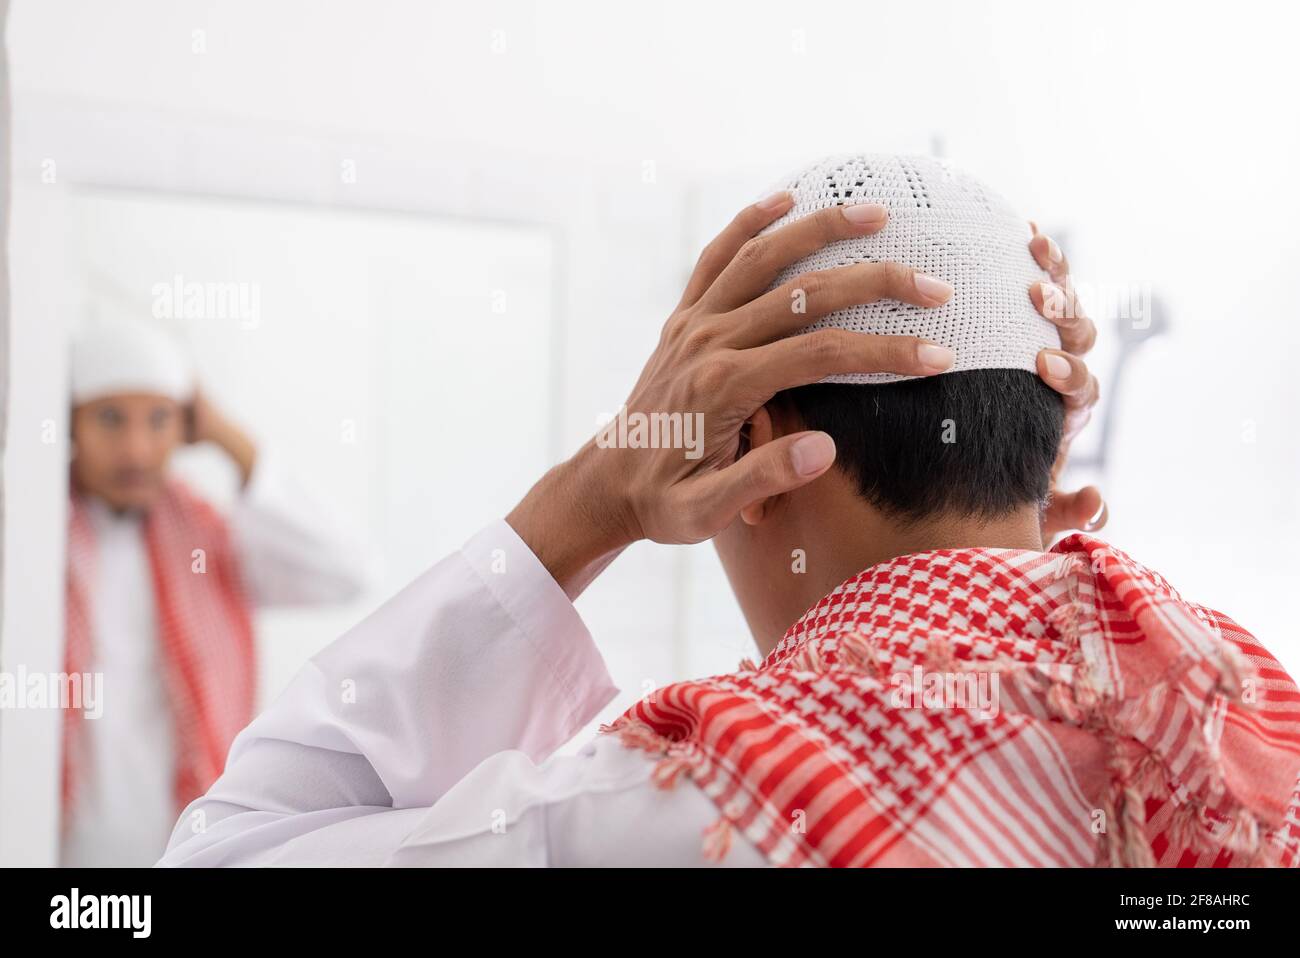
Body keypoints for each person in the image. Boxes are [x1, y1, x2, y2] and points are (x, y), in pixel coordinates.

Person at [158, 155, 1300, 868]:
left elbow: (227, 850)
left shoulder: (678, 812)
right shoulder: (1239, 715)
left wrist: (598, 490)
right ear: (1046, 452)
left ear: (747, 448)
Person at [63, 313, 370, 867]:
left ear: (186, 426)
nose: (135, 449)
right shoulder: (37, 543)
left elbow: (346, 571)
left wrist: (229, 437)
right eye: (110, 419)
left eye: (158, 420)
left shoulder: (207, 541)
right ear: (70, 423)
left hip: (183, 846)